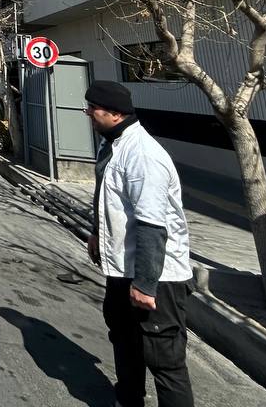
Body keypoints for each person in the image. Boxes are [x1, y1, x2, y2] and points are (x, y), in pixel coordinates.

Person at [85, 80, 194, 407]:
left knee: (164, 360)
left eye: (93, 109)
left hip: (158, 278)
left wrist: (145, 284)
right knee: (124, 340)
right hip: (123, 268)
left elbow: (151, 224)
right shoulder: (113, 144)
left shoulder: (143, 155)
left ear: (115, 114)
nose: (88, 113)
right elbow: (109, 199)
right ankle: (128, 399)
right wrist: (95, 232)